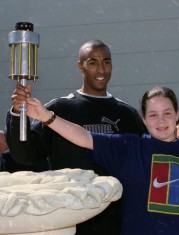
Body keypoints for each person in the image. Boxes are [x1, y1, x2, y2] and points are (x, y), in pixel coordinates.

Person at [24, 86, 179, 235]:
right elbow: (83, 136)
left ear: (177, 114)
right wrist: (46, 117)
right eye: (153, 115)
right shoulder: (129, 148)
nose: (161, 121)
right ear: (143, 119)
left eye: (167, 113)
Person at [5, 39, 147, 235]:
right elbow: (25, 155)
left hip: (116, 222)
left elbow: (152, 159)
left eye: (106, 61)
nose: (101, 69)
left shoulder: (128, 115)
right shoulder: (58, 109)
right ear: (80, 66)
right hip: (68, 220)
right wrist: (16, 112)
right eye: (93, 62)